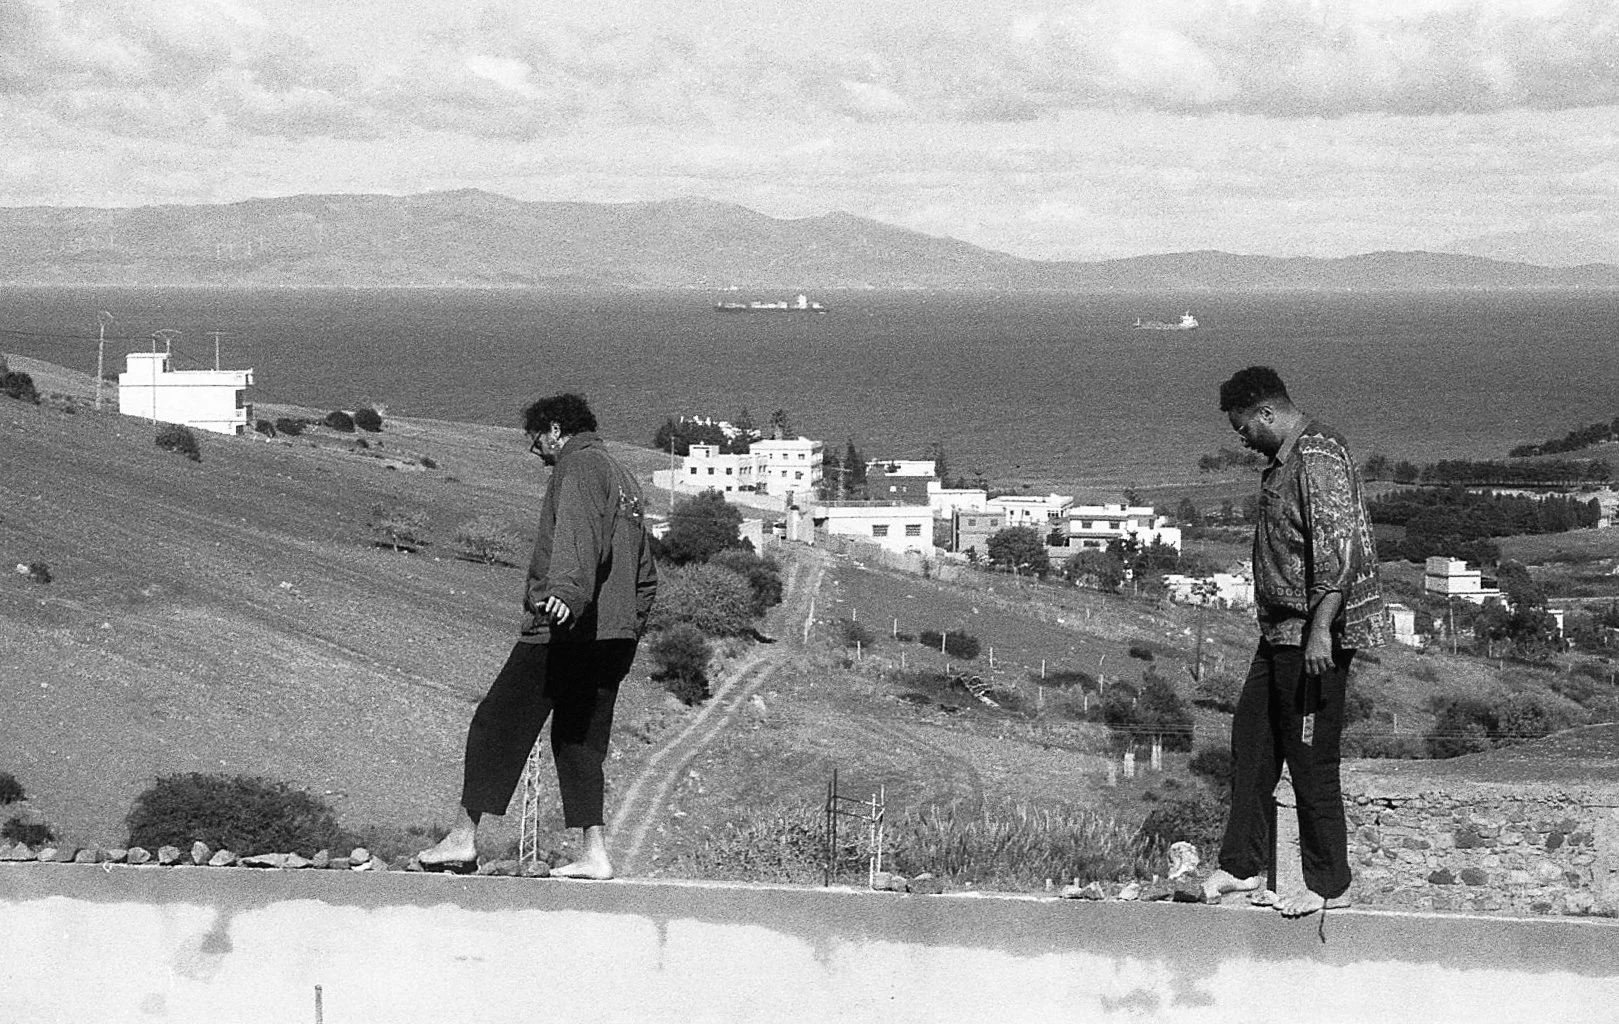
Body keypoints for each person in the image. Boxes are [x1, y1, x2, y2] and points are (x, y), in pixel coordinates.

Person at [419, 393, 657, 879]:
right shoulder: (622, 475)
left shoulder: (580, 467)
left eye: (535, 440)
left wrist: (566, 594)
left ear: (554, 429)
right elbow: (646, 573)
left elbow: (577, 535)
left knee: (495, 723)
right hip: (612, 634)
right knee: (579, 739)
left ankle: (462, 838)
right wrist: (630, 626)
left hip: (565, 627)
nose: (535, 451)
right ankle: (595, 854)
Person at [1201, 366, 1387, 918]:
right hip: (1280, 631)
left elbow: (1338, 550)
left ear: (1265, 413)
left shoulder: (1318, 455)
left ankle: (1329, 884)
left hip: (1312, 635)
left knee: (1310, 759)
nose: (1241, 440)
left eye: (1243, 429)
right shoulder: (1286, 461)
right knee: (1252, 742)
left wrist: (1321, 630)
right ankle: (1240, 866)